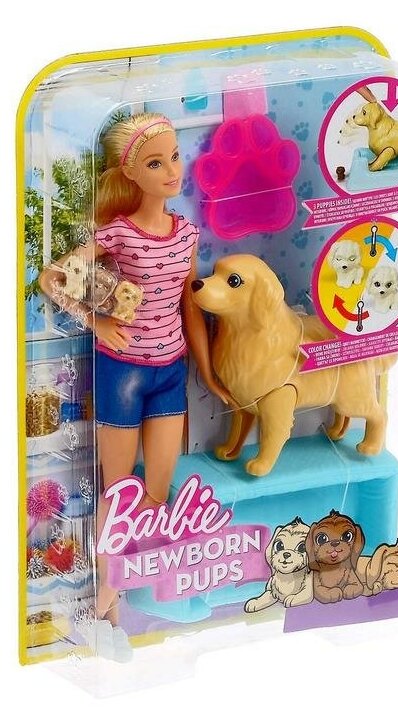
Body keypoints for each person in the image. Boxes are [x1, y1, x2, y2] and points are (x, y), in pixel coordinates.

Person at [39, 112, 231, 660]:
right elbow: (52, 277)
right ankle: (106, 604)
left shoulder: (187, 233)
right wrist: (95, 322)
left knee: (155, 493)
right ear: (130, 173)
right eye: (155, 162)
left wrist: (207, 371)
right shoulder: (119, 233)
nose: (172, 170)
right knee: (117, 490)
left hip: (171, 371)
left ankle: (125, 593)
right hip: (121, 372)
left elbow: (189, 307)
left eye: (175, 156)